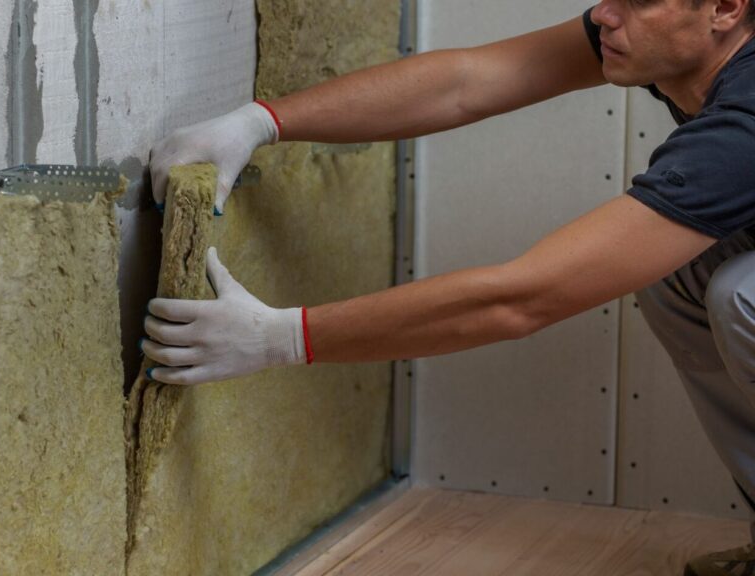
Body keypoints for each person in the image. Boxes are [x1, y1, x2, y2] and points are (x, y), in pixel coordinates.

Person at [142, 1, 755, 573]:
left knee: (738, 294)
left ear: (726, 7)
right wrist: (262, 121)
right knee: (676, 272)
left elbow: (524, 296)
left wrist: (285, 338)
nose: (602, 13)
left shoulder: (745, 121)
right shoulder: (668, 38)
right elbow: (469, 82)